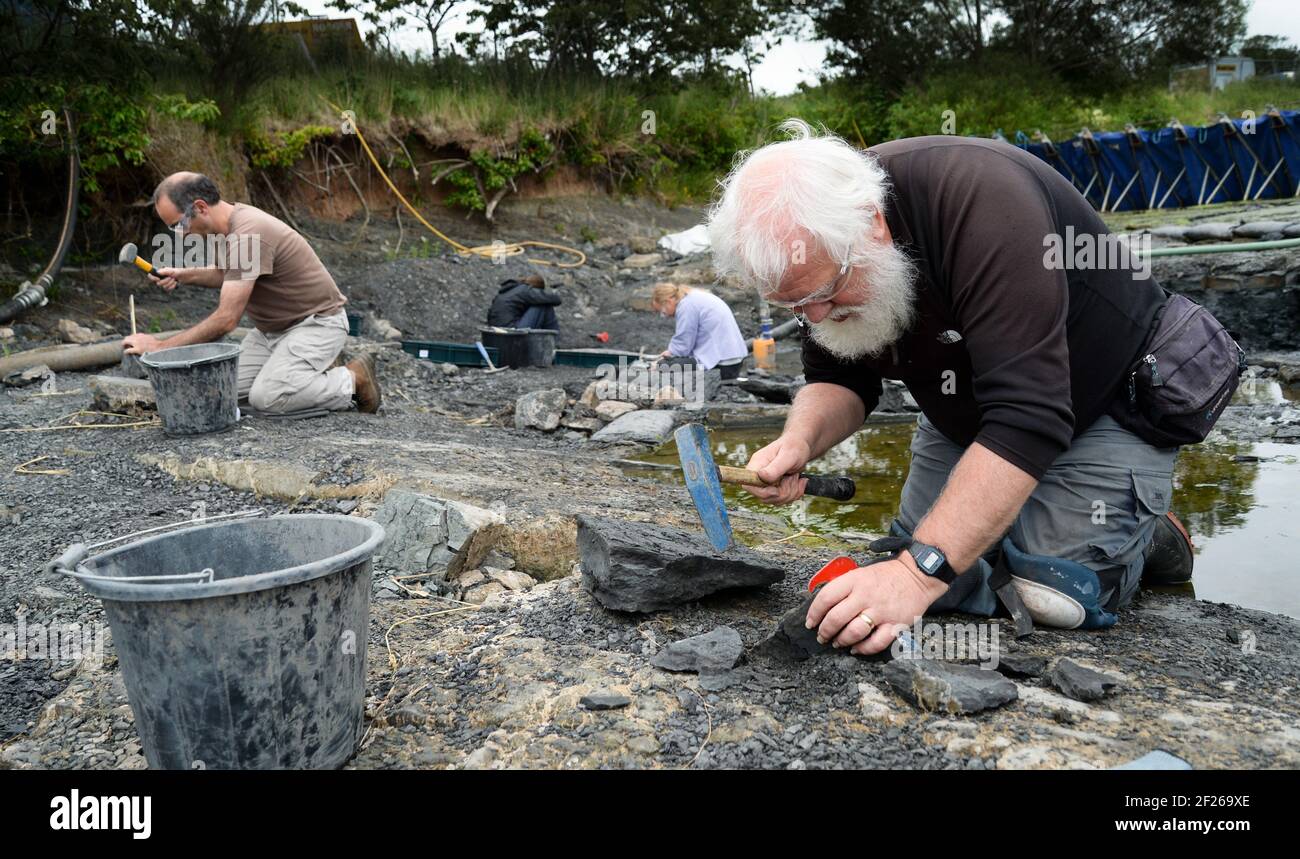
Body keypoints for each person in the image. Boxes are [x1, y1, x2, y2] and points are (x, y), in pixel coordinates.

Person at [706, 119, 1199, 655]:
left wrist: (918, 577)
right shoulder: (822, 250)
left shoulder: (985, 202)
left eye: (824, 293)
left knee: (1050, 597)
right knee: (905, 555)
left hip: (1102, 404)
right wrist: (799, 443)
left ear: (873, 225)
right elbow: (839, 378)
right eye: (794, 305)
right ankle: (1019, 519)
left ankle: (1146, 533)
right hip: (968, 411)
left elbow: (1028, 416)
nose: (814, 315)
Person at [122, 172, 381, 414]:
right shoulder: (220, 229)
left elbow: (226, 320)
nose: (181, 234)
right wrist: (182, 275)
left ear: (201, 207)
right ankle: (305, 374)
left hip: (316, 325)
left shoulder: (248, 233)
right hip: (272, 332)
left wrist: (159, 347)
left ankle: (352, 378)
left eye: (179, 224)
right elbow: (231, 273)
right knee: (225, 394)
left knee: (268, 398)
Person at [650, 282, 748, 380]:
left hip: (721, 364)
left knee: (663, 366)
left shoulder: (686, 305)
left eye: (662, 311)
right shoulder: (695, 297)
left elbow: (684, 342)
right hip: (733, 358)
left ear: (668, 301)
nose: (664, 315)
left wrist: (670, 354)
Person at [486, 275, 561, 330]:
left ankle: (550, 339)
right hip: (512, 331)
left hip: (495, 332)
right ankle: (552, 340)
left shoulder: (508, 291)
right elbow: (556, 300)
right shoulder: (526, 291)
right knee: (544, 304)